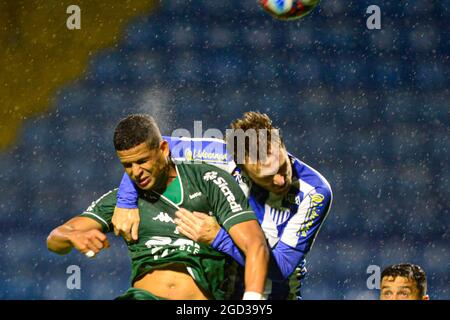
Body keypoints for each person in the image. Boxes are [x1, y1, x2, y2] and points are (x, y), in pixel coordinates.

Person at [47, 114, 269, 300]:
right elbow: (55, 239)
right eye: (127, 165)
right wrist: (73, 236)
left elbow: (255, 245)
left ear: (163, 149)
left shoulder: (209, 180)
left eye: (142, 161)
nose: (135, 172)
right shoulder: (123, 203)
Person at [114, 111, 332, 299]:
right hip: (221, 291)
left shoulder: (314, 193)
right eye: (267, 176)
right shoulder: (221, 155)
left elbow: (282, 268)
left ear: (281, 144)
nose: (280, 180)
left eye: (282, 166)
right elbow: (151, 150)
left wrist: (218, 238)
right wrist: (126, 201)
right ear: (241, 167)